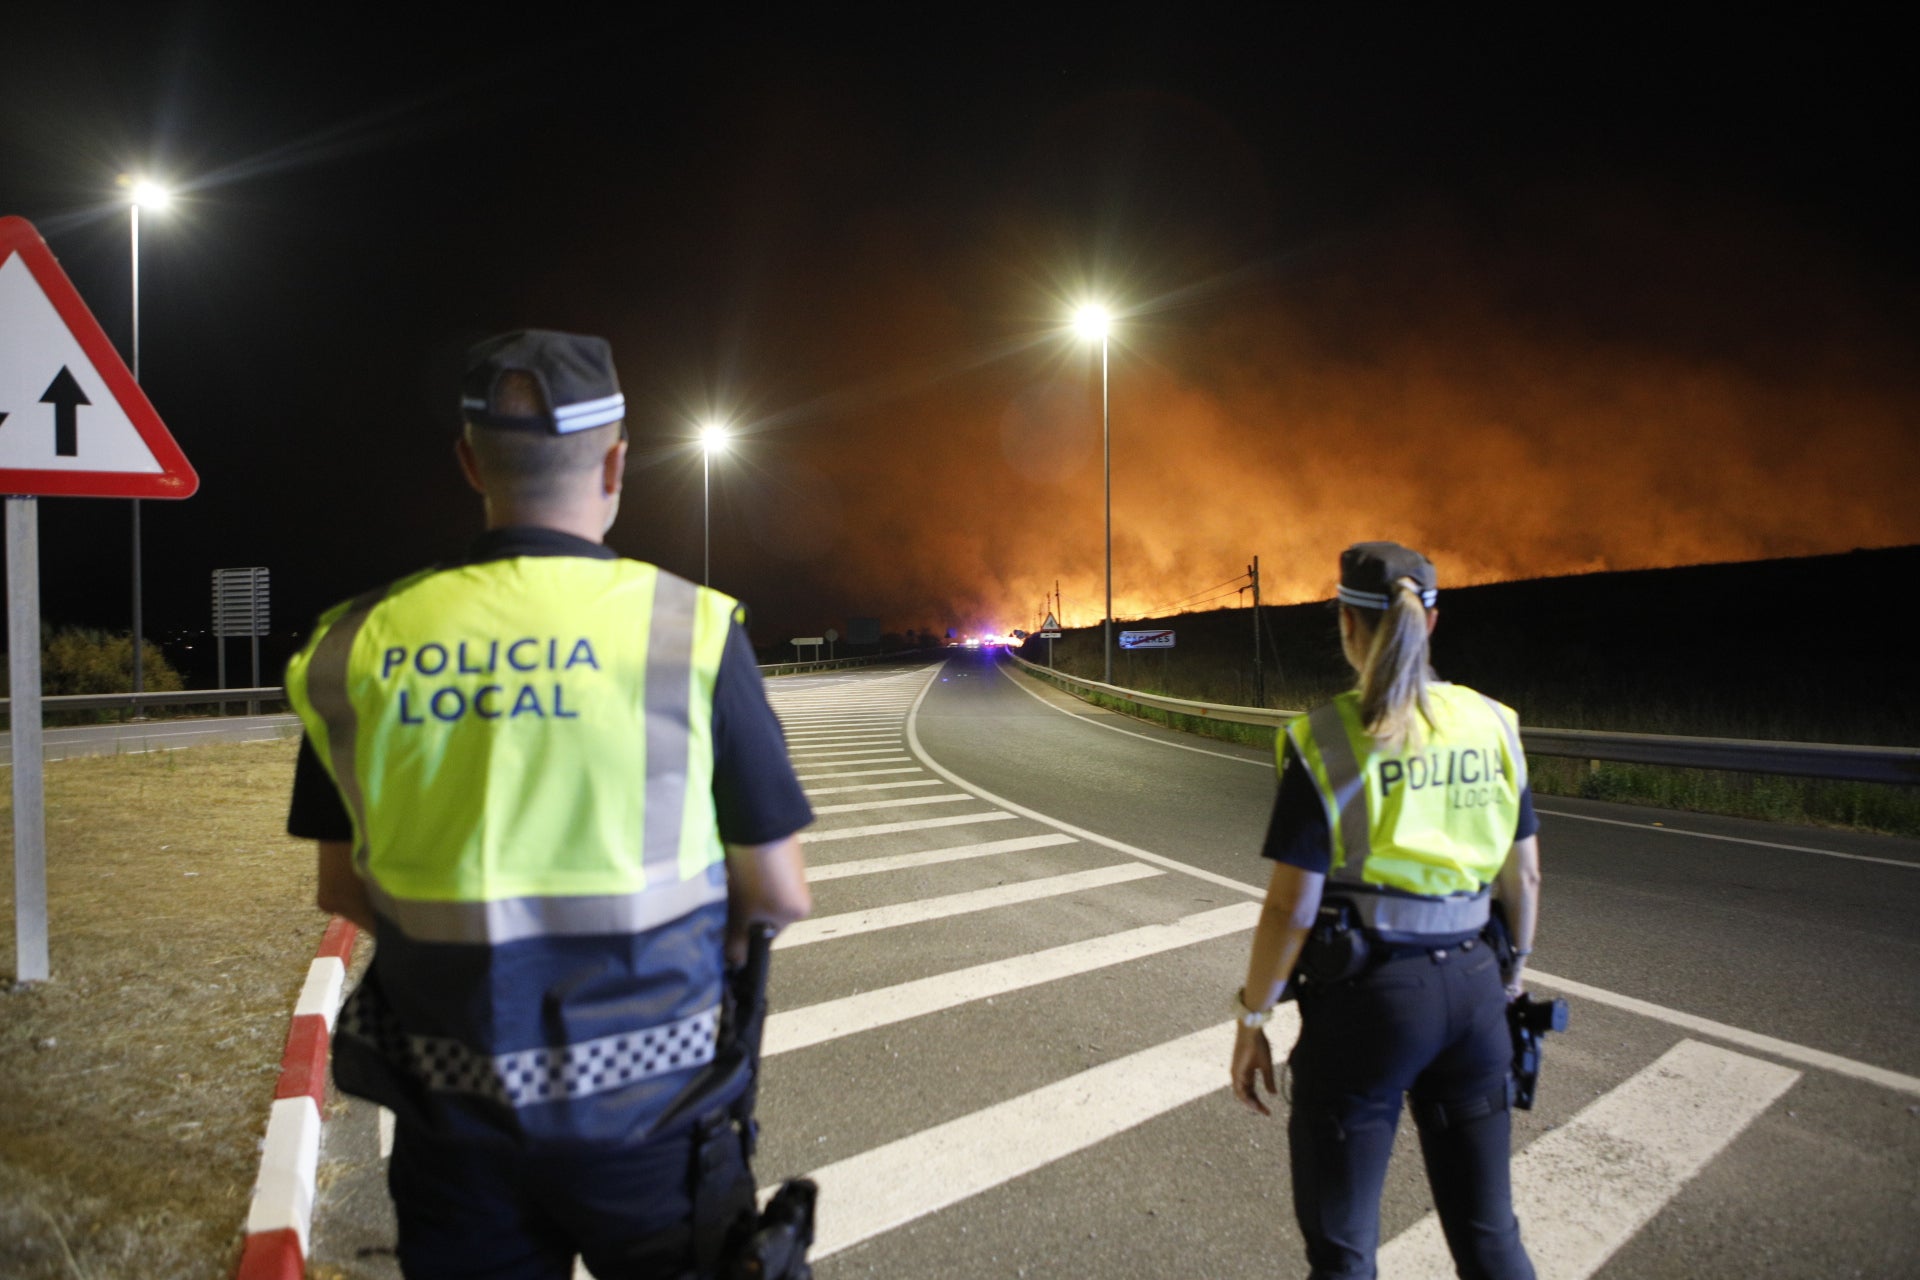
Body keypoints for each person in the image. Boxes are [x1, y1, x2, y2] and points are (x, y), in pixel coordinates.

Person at [284, 329, 814, 1280]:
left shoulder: (353, 645)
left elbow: (342, 885)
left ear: (467, 460)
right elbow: (777, 891)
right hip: (657, 1125)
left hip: (453, 1132)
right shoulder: (685, 629)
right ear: (617, 461)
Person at [1229, 540, 1542, 1280]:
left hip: (1366, 1007)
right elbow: (1524, 876)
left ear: (1345, 623)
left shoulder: (1325, 737)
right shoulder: (1491, 723)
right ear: (1430, 622)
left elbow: (1290, 909)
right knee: (1490, 1236)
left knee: (1344, 1252)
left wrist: (1253, 1018)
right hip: (1474, 991)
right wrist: (1510, 977)